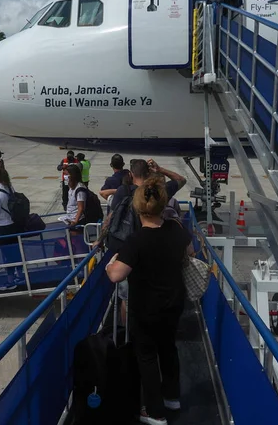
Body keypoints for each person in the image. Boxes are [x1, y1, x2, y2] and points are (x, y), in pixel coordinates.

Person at [106, 178, 193, 425]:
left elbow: (116, 275)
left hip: (145, 309)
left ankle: (155, 412)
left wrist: (111, 263)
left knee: (146, 356)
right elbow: (190, 253)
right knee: (168, 349)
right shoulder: (176, 228)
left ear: (137, 208)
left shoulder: (136, 240)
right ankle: (172, 397)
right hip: (174, 303)